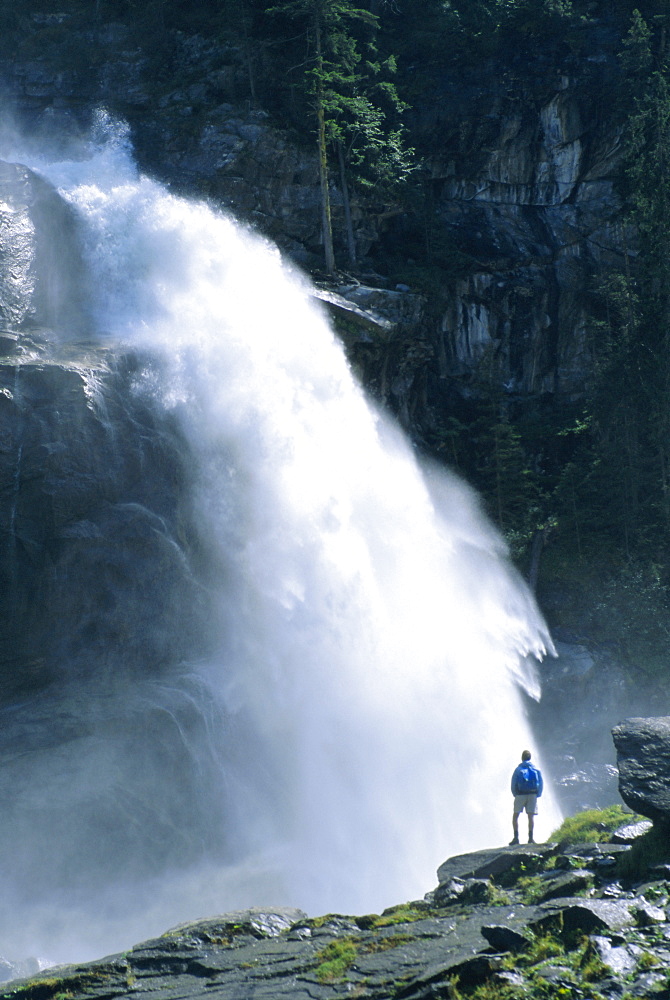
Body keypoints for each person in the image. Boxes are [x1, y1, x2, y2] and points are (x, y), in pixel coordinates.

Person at [509, 749, 543, 845]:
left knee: (516, 815)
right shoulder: (536, 769)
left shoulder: (518, 769)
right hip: (532, 794)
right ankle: (530, 838)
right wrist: (538, 794)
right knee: (530, 816)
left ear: (522, 758)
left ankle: (516, 838)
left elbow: (513, 783)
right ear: (530, 757)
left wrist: (515, 794)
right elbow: (541, 783)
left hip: (520, 794)